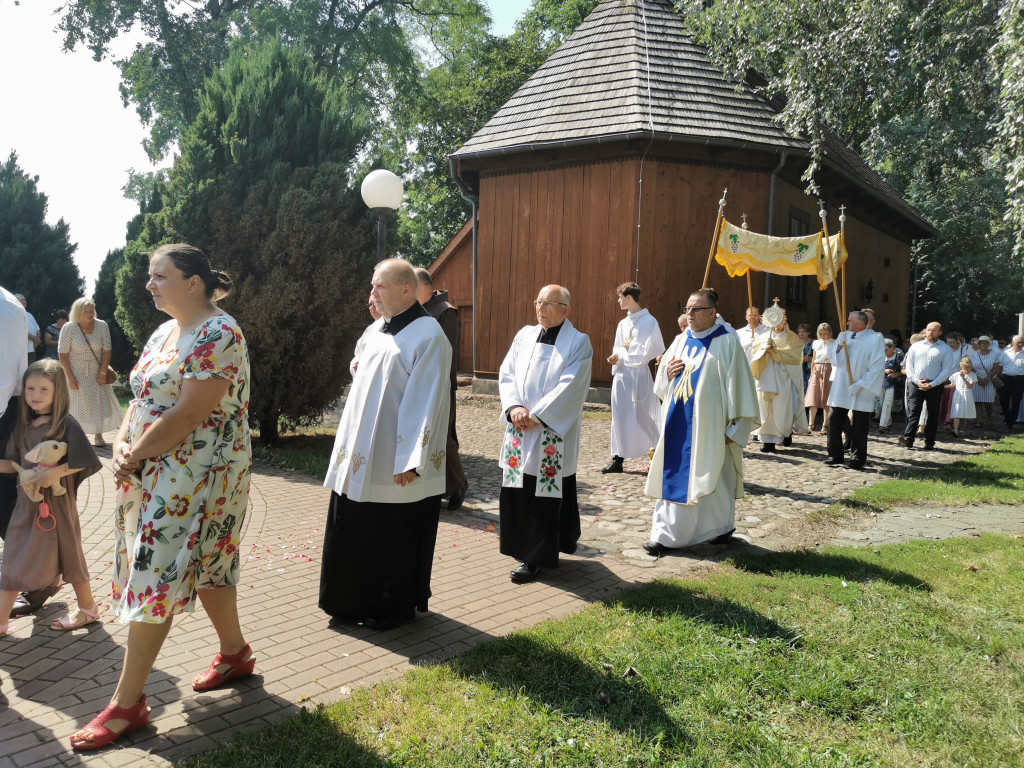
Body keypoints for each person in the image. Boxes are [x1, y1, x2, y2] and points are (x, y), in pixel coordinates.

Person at [71, 244, 254, 751]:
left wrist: (132, 456)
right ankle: (236, 653)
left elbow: (190, 413)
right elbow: (144, 396)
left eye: (159, 276)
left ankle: (127, 703)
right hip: (159, 468)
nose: (149, 285)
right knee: (210, 561)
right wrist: (125, 436)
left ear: (193, 281)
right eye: (150, 277)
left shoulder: (220, 332)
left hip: (201, 474)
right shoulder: (164, 330)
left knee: (156, 571)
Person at [321, 259, 451, 627]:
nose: (371, 294)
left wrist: (412, 459)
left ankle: (391, 606)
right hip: (360, 451)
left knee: (389, 532)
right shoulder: (377, 327)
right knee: (354, 527)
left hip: (393, 456)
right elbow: (359, 363)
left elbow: (427, 401)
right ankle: (347, 600)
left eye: (380, 287)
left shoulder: (429, 335)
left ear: (406, 289)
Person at [643, 288, 757, 554]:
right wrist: (667, 373)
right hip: (678, 423)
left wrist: (736, 428)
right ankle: (665, 534)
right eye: (687, 309)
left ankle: (720, 528)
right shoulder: (682, 339)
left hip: (712, 427)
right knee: (675, 474)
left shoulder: (727, 341)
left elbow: (741, 386)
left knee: (715, 477)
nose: (690, 314)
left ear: (712, 312)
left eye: (696, 309)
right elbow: (663, 378)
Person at [498, 285, 592, 583]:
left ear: (566, 309)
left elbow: (572, 384)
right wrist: (514, 408)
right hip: (519, 427)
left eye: (549, 303)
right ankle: (520, 545)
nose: (541, 308)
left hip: (550, 428)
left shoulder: (578, 342)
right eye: (538, 301)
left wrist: (537, 415)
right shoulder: (524, 335)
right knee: (517, 489)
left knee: (545, 492)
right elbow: (507, 372)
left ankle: (535, 556)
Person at [0, 360, 102, 634]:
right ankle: (1, 621)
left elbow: (85, 460)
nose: (36, 394)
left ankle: (88, 609)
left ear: (58, 392)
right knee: (13, 554)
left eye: (44, 389)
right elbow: (13, 463)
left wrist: (53, 473)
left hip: (57, 504)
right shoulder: (21, 427)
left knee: (69, 553)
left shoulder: (65, 425)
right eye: (30, 388)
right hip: (26, 505)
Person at [414, 268, 469, 509]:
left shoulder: (445, 312)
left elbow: (445, 353)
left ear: (421, 285)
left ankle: (458, 485)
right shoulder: (416, 311)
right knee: (425, 437)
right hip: (417, 385)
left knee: (443, 437)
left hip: (440, 385)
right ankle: (432, 487)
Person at [604, 282, 665, 473]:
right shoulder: (624, 323)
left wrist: (629, 352)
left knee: (644, 415)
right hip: (623, 376)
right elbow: (618, 347)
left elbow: (654, 349)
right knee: (620, 415)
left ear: (629, 298)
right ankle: (618, 459)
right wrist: (616, 357)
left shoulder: (649, 321)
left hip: (639, 374)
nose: (618, 301)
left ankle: (660, 454)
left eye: (620, 297)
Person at [824, 310, 884, 469]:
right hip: (842, 384)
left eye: (850, 320)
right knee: (834, 418)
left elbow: (878, 365)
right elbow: (833, 359)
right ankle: (835, 454)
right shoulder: (845, 335)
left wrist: (860, 384)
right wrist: (837, 345)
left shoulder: (875, 338)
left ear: (859, 323)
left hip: (863, 386)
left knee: (860, 423)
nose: (847, 323)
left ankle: (857, 458)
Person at [58, 298, 122, 446]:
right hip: (75, 370)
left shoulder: (102, 325)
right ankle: (75, 436)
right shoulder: (69, 327)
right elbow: (63, 355)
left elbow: (106, 351)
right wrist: (71, 378)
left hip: (96, 370)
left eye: (91, 310)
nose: (89, 314)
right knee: (76, 403)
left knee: (97, 401)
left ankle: (98, 435)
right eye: (86, 311)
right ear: (78, 312)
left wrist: (103, 373)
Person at [750, 309, 805, 452]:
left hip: (783, 379)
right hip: (765, 378)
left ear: (785, 321)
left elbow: (796, 357)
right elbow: (755, 353)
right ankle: (768, 442)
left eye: (781, 321)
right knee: (765, 409)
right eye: (775, 322)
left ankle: (785, 433)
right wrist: (763, 348)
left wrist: (776, 352)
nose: (778, 325)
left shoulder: (792, 338)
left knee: (783, 410)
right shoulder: (762, 337)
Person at [898, 321, 958, 450]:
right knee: (914, 411)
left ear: (940, 332)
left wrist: (933, 383)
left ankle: (929, 441)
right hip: (916, 382)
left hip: (935, 384)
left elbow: (946, 369)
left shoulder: (945, 348)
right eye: (928, 329)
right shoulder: (916, 346)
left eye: (934, 330)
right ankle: (909, 437)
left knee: (932, 413)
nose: (930, 332)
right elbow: (909, 365)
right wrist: (915, 380)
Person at [805, 322, 834, 435]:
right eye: (821, 334)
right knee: (813, 396)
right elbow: (814, 359)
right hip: (817, 369)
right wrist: (812, 373)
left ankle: (825, 425)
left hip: (828, 368)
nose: (823, 336)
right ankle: (811, 423)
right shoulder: (816, 343)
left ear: (829, 333)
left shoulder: (834, 343)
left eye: (825, 334)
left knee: (826, 397)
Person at [971, 336, 1000, 427]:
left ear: (989, 344)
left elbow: (996, 368)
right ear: (978, 344)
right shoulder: (973, 355)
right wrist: (978, 379)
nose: (983, 344)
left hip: (989, 378)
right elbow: (971, 368)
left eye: (985, 342)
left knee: (988, 401)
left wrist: (987, 379)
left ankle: (989, 419)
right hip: (977, 378)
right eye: (981, 343)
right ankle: (979, 421)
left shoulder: (994, 354)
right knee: (977, 401)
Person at [876, 338, 902, 433]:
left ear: (892, 348)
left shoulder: (898, 357)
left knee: (887, 404)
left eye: (886, 350)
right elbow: (874, 369)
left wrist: (896, 374)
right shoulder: (880, 357)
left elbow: (903, 370)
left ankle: (882, 425)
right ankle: (888, 422)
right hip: (881, 383)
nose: (884, 352)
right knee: (883, 404)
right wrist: (884, 370)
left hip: (893, 384)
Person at [946, 357, 977, 437]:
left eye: (970, 367)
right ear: (961, 367)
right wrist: (941, 387)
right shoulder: (956, 375)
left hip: (967, 394)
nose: (968, 369)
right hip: (958, 394)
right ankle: (955, 430)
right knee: (957, 413)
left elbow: (969, 386)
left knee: (965, 414)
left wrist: (963, 377)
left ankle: (962, 429)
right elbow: (952, 385)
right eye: (966, 367)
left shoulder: (972, 375)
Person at [999, 335, 1024, 430]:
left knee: (1016, 401)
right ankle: (1007, 416)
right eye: (1018, 342)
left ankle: (1011, 421)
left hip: (1019, 380)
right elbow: (1000, 366)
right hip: (1006, 379)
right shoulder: (1005, 353)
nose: (1020, 344)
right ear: (1012, 343)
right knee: (1003, 399)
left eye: (1022, 342)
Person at [15, 294, 41, 364]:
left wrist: (37, 340)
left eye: (25, 300)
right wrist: (35, 339)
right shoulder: (13, 314)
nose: (24, 301)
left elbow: (37, 329)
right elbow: (20, 331)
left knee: (29, 373)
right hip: (18, 351)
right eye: (22, 300)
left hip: (31, 350)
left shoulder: (29, 315)